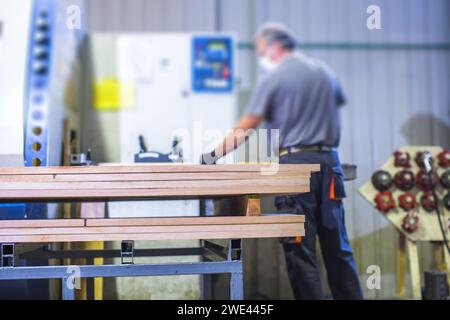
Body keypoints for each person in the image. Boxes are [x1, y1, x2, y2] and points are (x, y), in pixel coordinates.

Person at [200, 22, 363, 300]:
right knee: (338, 247)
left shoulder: (276, 77)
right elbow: (335, 115)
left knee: (300, 248)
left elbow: (248, 125)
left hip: (297, 166)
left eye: (261, 50)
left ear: (274, 47)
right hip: (330, 163)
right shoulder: (325, 72)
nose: (262, 56)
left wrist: (211, 156)